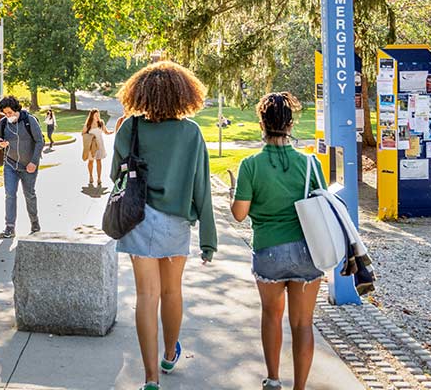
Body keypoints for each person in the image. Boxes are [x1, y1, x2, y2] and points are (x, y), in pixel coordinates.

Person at [112, 61, 217, 390]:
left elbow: (116, 176)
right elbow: (202, 186)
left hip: (137, 218)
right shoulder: (191, 132)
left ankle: (150, 379)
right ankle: (170, 353)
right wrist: (209, 240)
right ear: (183, 94)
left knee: (146, 295)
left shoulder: (130, 128)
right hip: (175, 222)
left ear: (139, 92)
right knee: (172, 291)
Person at [231, 92, 324, 390]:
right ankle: (300, 387)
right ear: (291, 123)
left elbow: (239, 215)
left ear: (262, 123)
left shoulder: (250, 165)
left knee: (271, 315)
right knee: (303, 323)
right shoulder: (310, 164)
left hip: (268, 252)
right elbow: (324, 208)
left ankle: (273, 379)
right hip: (307, 251)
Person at [0, 95, 45, 239]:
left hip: (28, 166)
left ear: (16, 109)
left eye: (10, 112)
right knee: (10, 195)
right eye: (5, 113)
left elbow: (39, 142)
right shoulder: (3, 123)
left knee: (29, 195)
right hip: (10, 164)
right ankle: (9, 227)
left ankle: (35, 224)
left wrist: (34, 162)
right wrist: (0, 143)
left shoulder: (29, 120)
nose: (7, 115)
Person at [82, 108, 113, 187]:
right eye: (95, 115)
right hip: (91, 145)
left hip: (99, 144)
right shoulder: (88, 124)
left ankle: (99, 178)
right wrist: (91, 137)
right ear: (92, 116)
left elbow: (106, 132)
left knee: (99, 161)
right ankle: (91, 176)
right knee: (91, 161)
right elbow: (83, 134)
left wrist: (113, 131)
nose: (97, 116)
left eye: (98, 114)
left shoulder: (101, 123)